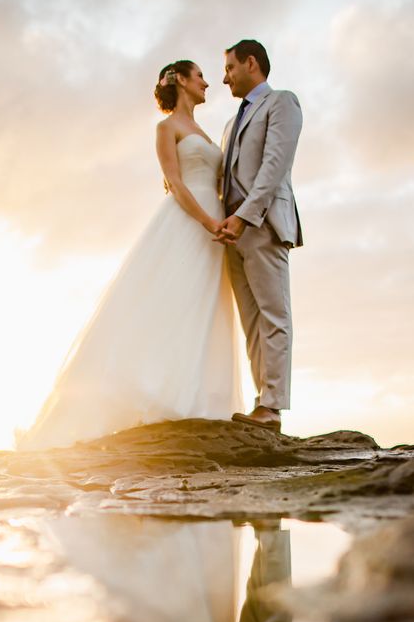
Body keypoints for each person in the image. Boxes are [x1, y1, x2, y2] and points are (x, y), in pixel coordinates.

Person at [14, 60, 243, 452]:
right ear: (182, 82)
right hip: (189, 222)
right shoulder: (166, 128)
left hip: (215, 227)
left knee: (203, 306)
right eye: (200, 75)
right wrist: (207, 221)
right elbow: (174, 183)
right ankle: (157, 395)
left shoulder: (206, 131)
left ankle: (198, 398)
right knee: (171, 300)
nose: (208, 82)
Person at [216, 39, 303, 433]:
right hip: (231, 232)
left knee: (274, 315)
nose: (224, 78)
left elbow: (274, 165)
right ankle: (261, 402)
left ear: (251, 63)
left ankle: (272, 406)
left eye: (230, 68)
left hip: (262, 225)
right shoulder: (229, 124)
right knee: (251, 321)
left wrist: (246, 217)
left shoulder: (282, 103)